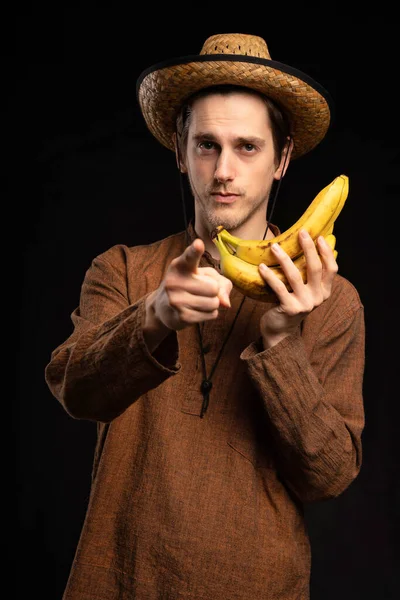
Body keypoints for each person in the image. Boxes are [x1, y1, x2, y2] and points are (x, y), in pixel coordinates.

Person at [45, 33, 365, 600]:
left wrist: (280, 341)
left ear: (281, 158)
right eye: (206, 145)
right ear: (179, 149)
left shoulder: (331, 299)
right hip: (118, 579)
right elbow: (76, 392)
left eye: (247, 147)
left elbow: (328, 476)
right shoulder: (123, 269)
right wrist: (154, 315)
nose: (223, 170)